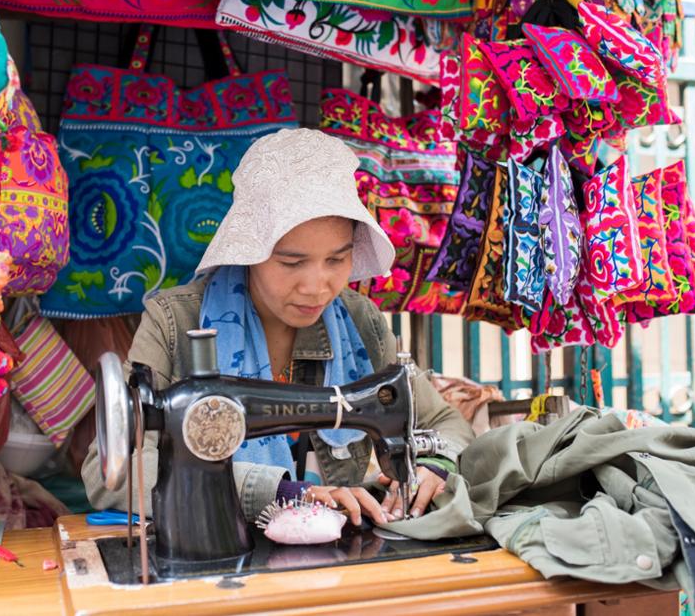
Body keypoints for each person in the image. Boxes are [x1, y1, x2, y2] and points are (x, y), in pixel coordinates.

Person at [82, 128, 474, 526]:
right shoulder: (174, 323)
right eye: (291, 263)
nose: (317, 286)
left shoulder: (360, 323)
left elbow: (445, 423)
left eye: (337, 260)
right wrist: (277, 493)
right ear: (248, 250)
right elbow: (109, 469)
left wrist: (436, 463)